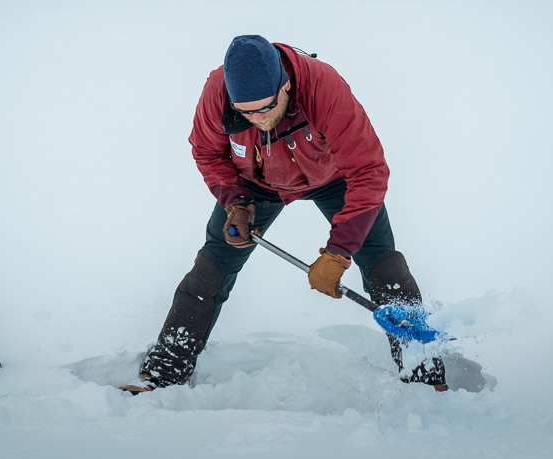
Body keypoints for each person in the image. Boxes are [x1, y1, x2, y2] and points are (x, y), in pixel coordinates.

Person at [120, 35, 446, 394]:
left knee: (385, 268)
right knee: (210, 269)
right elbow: (207, 152)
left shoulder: (324, 87)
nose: (258, 119)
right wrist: (236, 202)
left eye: (266, 108)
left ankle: (425, 377)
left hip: (333, 177)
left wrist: (339, 252)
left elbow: (368, 171)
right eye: (246, 112)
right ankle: (163, 374)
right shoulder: (218, 92)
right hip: (254, 185)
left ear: (286, 85)